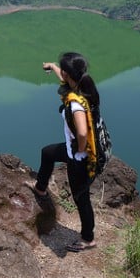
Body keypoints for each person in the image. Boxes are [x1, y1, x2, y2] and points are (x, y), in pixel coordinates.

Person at [27, 52, 100, 252]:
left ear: (69, 75)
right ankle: (40, 189)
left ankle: (88, 238)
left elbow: (83, 131)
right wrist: (51, 65)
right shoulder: (83, 86)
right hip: (73, 150)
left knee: (81, 198)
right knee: (48, 153)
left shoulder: (76, 103)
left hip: (79, 157)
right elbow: (63, 76)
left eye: (63, 72)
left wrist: (79, 152)